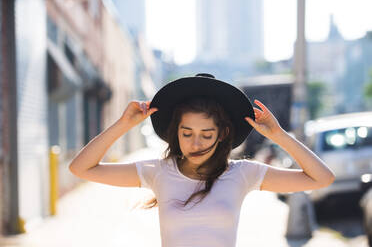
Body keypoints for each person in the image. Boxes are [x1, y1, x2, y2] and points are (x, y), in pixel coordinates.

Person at [69, 73, 335, 247]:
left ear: (223, 135)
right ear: (176, 133)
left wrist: (279, 135)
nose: (195, 143)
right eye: (187, 133)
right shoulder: (158, 172)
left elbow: (322, 178)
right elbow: (81, 168)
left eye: (206, 134)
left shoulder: (243, 174)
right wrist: (122, 125)